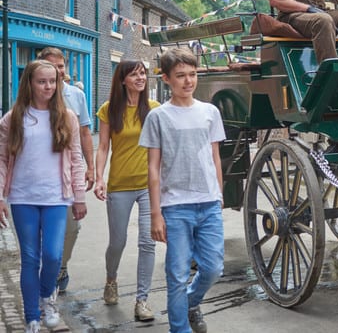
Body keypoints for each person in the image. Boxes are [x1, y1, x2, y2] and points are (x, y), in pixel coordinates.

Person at [139, 48, 225, 333]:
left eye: (192, 74)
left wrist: (219, 195)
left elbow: (214, 157)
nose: (188, 81)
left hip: (208, 203)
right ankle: (179, 328)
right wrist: (155, 214)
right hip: (175, 206)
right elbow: (153, 168)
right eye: (180, 76)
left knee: (213, 268)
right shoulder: (158, 117)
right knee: (176, 274)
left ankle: (190, 301)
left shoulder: (210, 112)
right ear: (166, 79)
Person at [0, 60, 87, 333]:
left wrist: (80, 197)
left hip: (56, 197)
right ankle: (32, 317)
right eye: (42, 81)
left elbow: (76, 158)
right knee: (30, 258)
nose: (48, 86)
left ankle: (47, 296)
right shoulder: (13, 118)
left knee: (52, 255)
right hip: (23, 196)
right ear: (29, 83)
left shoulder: (67, 117)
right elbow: (2, 160)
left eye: (53, 81)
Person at [94, 60, 160, 321]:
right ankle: (111, 279)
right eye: (134, 74)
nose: (140, 78)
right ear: (123, 80)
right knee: (118, 242)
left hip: (148, 186)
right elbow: (102, 147)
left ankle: (142, 300)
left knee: (147, 241)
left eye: (143, 73)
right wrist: (99, 177)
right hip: (120, 185)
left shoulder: (154, 109)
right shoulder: (109, 110)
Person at [36, 47, 94, 294]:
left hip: (70, 174)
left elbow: (85, 133)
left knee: (73, 228)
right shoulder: (32, 95)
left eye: (61, 67)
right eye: (52, 66)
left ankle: (61, 266)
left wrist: (91, 167)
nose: (58, 72)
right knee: (42, 232)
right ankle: (45, 280)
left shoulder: (76, 95)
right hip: (40, 176)